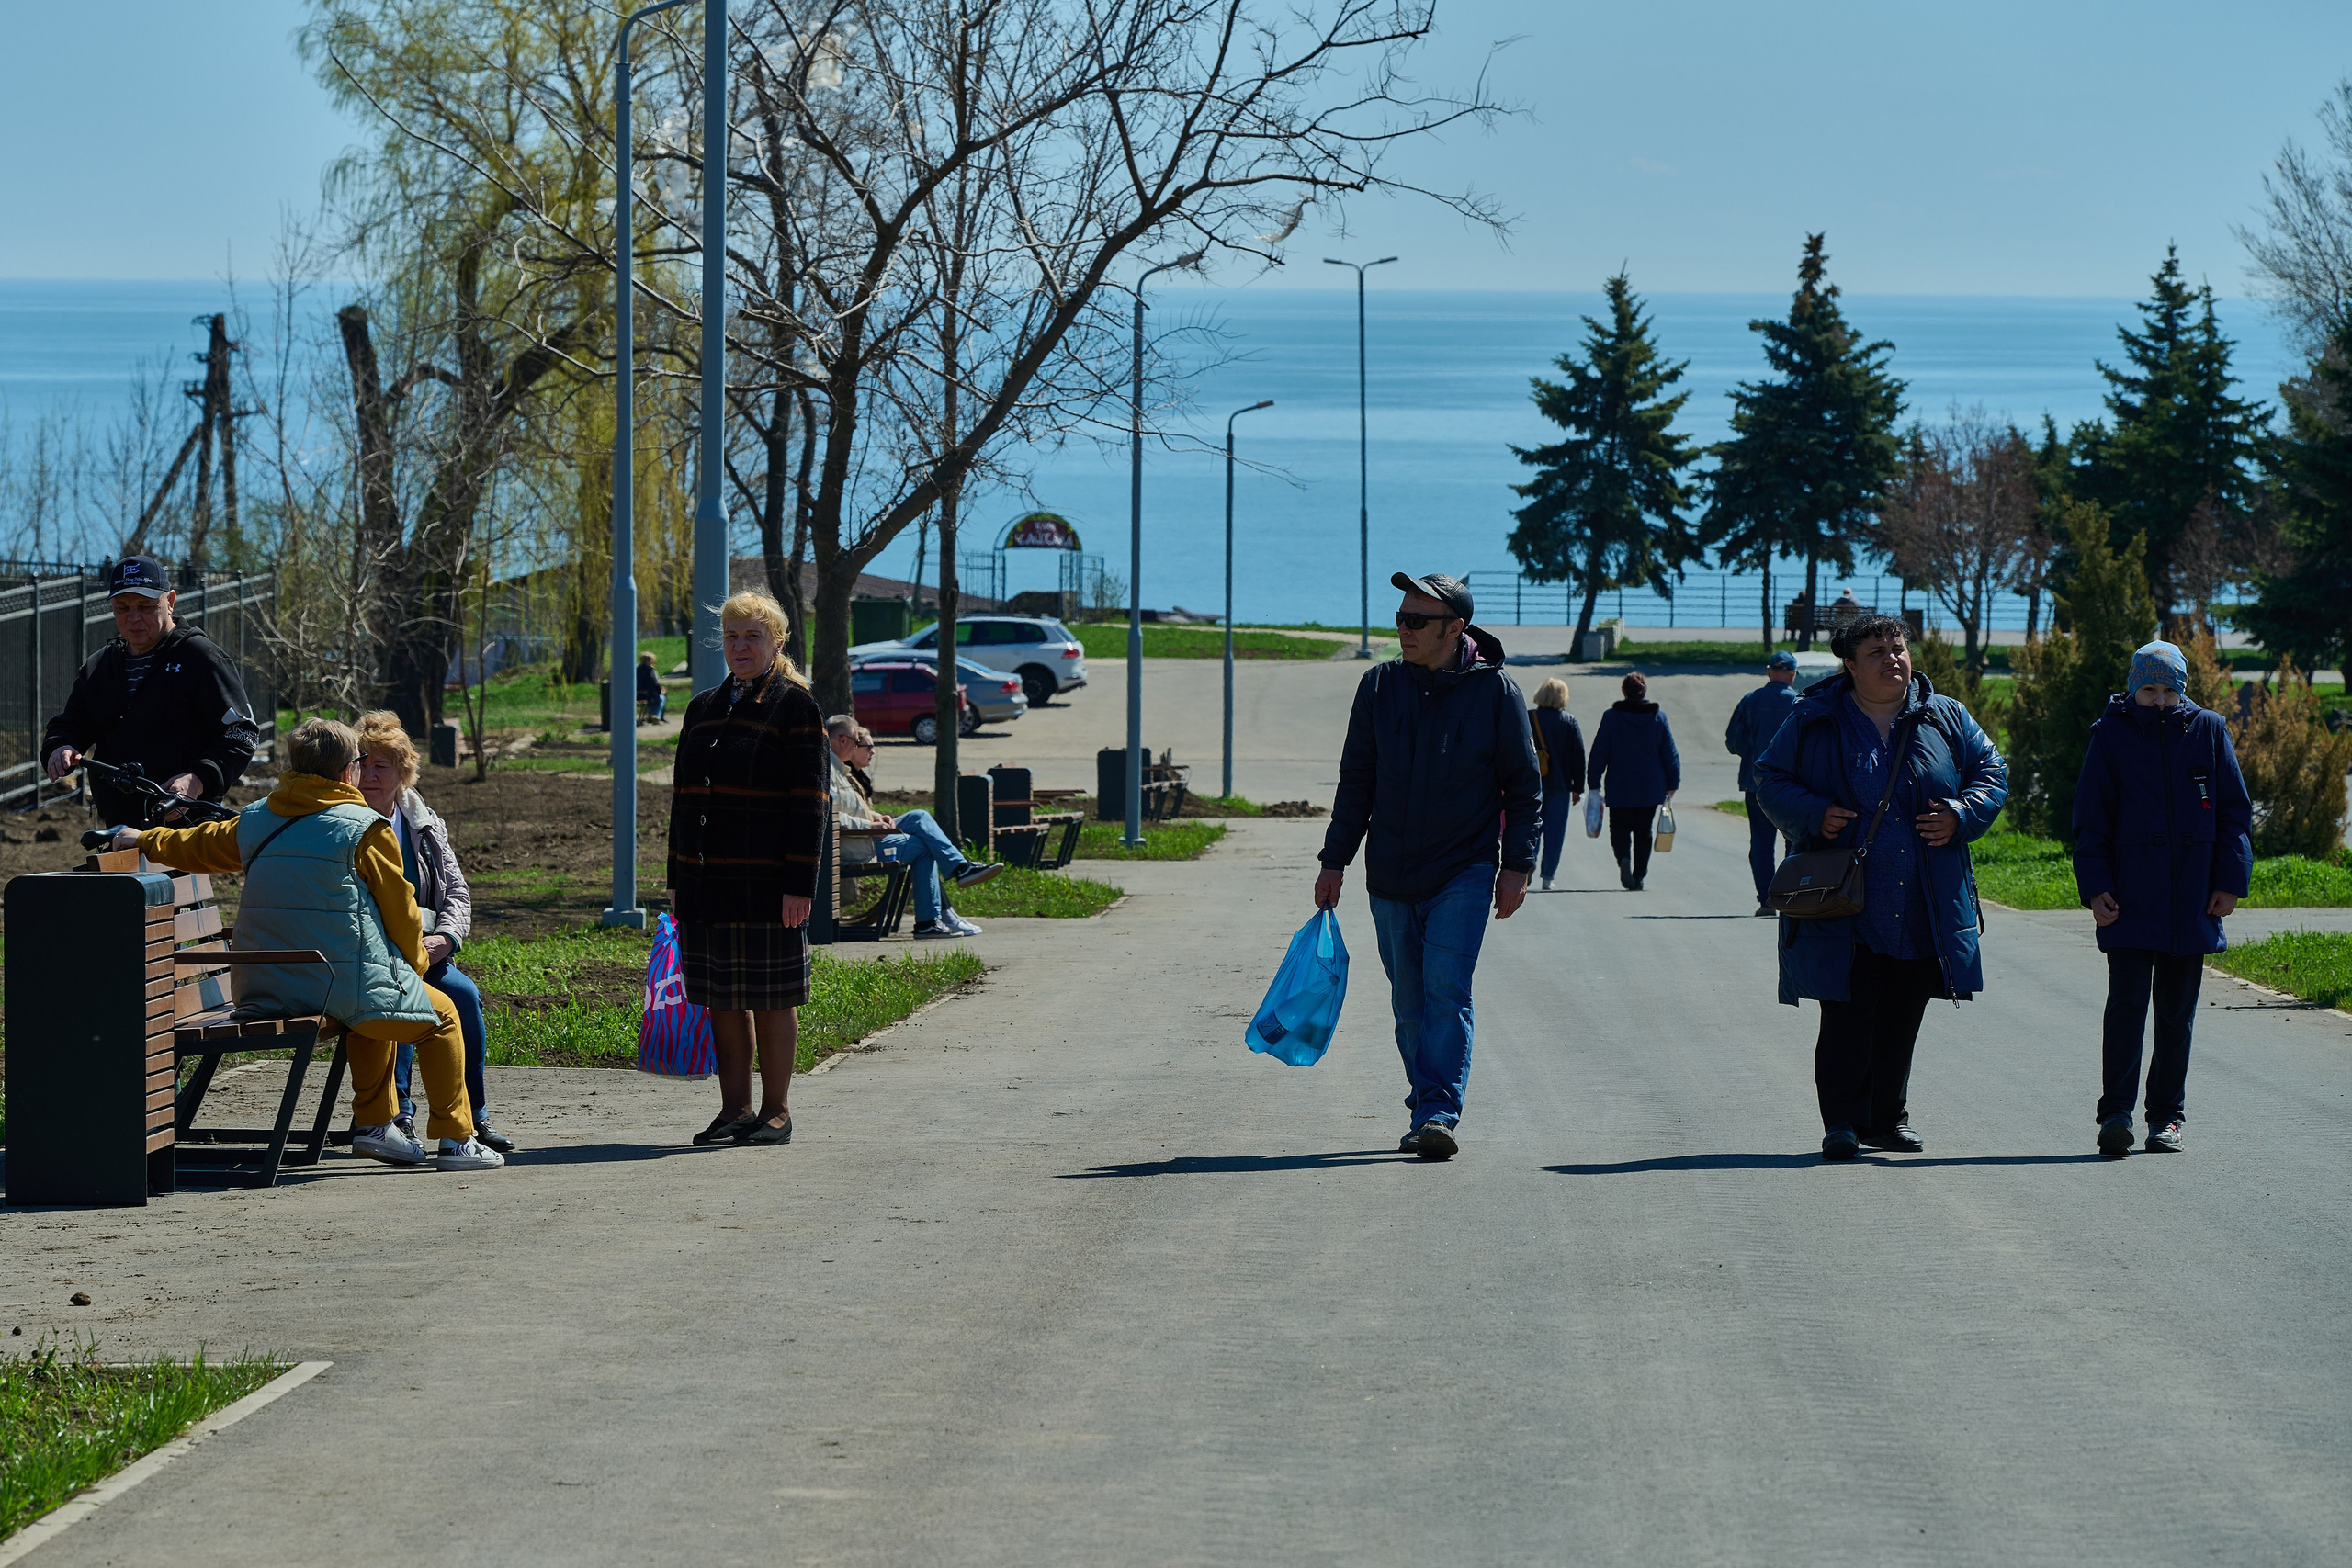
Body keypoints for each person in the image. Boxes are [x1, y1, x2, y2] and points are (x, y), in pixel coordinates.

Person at [116, 717, 503, 1171]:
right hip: (331, 983)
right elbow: (403, 915)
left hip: (263, 984)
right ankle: (457, 1140)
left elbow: (195, 844)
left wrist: (141, 838)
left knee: (370, 1012)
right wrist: (415, 964)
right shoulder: (366, 828)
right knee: (441, 1017)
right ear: (346, 772)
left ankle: (378, 1127)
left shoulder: (258, 818)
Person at [1753, 615, 2007, 1161]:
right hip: (1844, 898)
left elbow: (1991, 769)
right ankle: (1842, 1122)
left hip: (1922, 899)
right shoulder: (1815, 717)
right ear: (1849, 664)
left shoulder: (1945, 716)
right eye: (1875, 651)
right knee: (1847, 1010)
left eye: (1897, 648)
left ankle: (1888, 1119)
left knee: (1902, 1012)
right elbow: (1769, 778)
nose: (1892, 658)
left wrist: (1962, 814)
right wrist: (1814, 814)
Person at [1316, 571, 1542, 1162]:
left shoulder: (1496, 692)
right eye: (1401, 618)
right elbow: (1356, 781)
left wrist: (1516, 865)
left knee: (1446, 989)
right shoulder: (1378, 687)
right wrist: (1334, 859)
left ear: (1455, 628)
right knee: (1409, 1000)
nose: (1404, 630)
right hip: (1389, 870)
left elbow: (1523, 785)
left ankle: (1438, 1111)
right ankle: (1424, 1107)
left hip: (1464, 869)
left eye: (1417, 621)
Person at [2072, 640, 2252, 1156]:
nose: (2158, 700)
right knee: (2126, 1005)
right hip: (2129, 895)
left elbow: (2234, 816)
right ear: (2133, 688)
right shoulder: (2110, 735)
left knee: (2176, 1013)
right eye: (2148, 689)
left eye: (2169, 690)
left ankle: (2167, 1117)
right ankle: (2117, 1114)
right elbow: (2091, 818)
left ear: (2183, 689)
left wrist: (2230, 881)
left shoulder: (2211, 730)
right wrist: (2096, 887)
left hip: (2194, 894)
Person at [669, 591, 829, 1147]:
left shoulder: (795, 706)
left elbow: (811, 803)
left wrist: (798, 886)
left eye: (752, 636)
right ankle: (733, 1109)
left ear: (776, 643)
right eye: (732, 636)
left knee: (771, 996)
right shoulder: (704, 706)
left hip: (766, 884)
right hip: (705, 884)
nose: (740, 646)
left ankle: (776, 1112)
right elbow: (684, 801)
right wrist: (678, 883)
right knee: (721, 997)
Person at [351, 711, 516, 1155]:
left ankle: (474, 1115)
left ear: (403, 773)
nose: (368, 775)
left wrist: (448, 938)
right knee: (404, 1001)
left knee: (464, 995)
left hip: (425, 953)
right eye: (361, 763)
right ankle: (398, 1114)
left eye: (380, 766)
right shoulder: (345, 821)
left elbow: (456, 890)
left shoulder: (422, 821)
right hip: (369, 959)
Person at [42, 554, 262, 826]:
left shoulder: (200, 658)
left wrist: (197, 780)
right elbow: (71, 724)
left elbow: (243, 732)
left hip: (185, 828)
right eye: (122, 608)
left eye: (145, 607)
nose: (134, 618)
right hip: (118, 827)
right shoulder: (100, 666)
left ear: (170, 601)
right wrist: (60, 746)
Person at [825, 716, 1004, 937]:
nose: (857, 747)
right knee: (922, 848)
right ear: (843, 741)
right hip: (857, 846)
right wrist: (869, 824)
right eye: (856, 740)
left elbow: (852, 808)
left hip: (865, 836)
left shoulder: (838, 770)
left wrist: (877, 817)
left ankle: (958, 873)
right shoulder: (827, 771)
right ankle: (931, 918)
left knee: (919, 816)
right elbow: (829, 816)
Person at [1725, 650, 1804, 913]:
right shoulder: (1800, 703)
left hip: (1755, 782)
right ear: (1793, 675)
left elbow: (1733, 742)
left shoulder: (1750, 700)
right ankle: (1789, 896)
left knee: (1760, 842)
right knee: (1794, 841)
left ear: (1769, 671)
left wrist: (1752, 752)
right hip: (1793, 785)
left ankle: (1767, 899)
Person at [1585, 671, 1679, 891]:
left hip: (1620, 785)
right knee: (1643, 831)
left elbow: (1600, 751)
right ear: (1644, 691)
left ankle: (1623, 860)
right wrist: (1673, 781)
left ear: (1624, 692)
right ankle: (1639, 875)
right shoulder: (1658, 716)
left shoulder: (1611, 716)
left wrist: (1593, 781)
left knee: (1618, 828)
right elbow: (1670, 752)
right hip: (1650, 786)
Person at [1529, 677, 1585, 891]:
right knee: (1555, 833)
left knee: (1531, 828)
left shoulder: (1529, 718)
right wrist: (1578, 788)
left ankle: (1529, 863)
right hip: (1560, 786)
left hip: (1532, 786)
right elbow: (1578, 756)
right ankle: (1548, 877)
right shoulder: (1569, 722)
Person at [638, 650, 667, 724]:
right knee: (661, 698)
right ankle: (656, 716)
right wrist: (660, 691)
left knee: (655, 698)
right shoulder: (651, 671)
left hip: (637, 694)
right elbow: (655, 683)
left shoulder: (636, 670)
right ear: (649, 661)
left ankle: (652, 716)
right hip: (648, 694)